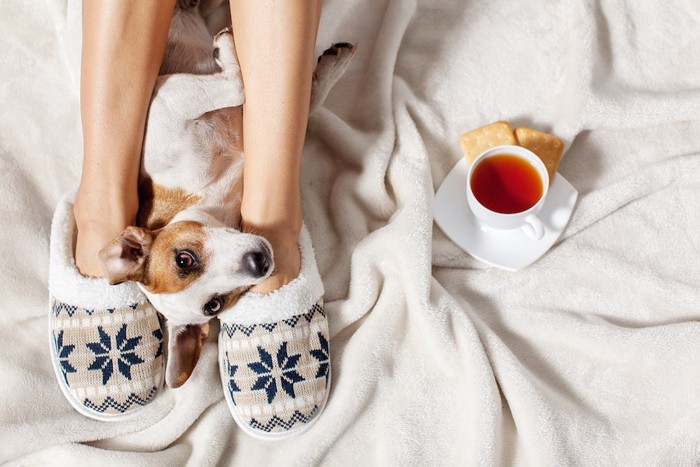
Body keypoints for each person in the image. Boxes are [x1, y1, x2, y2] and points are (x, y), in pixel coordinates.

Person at [74, 0, 322, 293]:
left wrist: (233, 84)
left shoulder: (179, 173)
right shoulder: (218, 201)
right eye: (215, 302)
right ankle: (272, 210)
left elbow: (170, 102)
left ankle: (275, 214)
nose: (253, 268)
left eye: (186, 259)